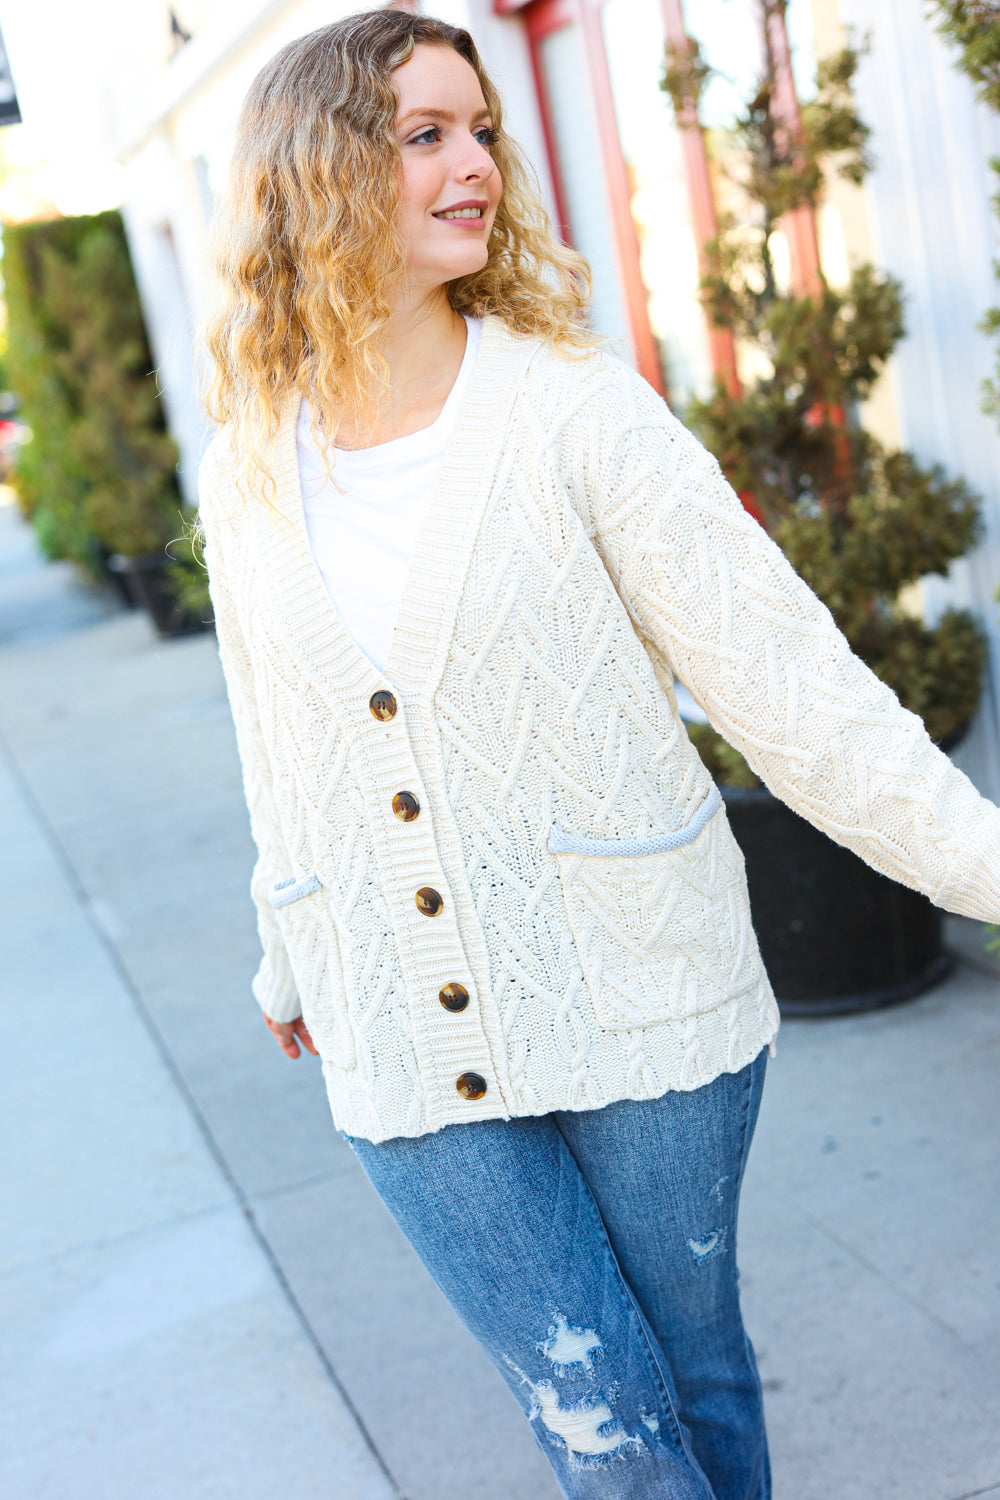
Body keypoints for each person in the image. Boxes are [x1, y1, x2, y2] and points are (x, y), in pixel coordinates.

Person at [199, 11, 1000, 1498]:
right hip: (397, 1021)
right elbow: (278, 733)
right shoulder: (250, 459)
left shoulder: (577, 414)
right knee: (604, 1426)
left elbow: (795, 693)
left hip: (640, 989)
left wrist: (986, 866)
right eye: (423, 134)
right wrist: (285, 946)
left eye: (480, 129)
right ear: (314, 171)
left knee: (689, 1378)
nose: (473, 164)